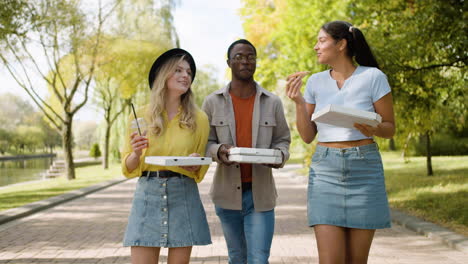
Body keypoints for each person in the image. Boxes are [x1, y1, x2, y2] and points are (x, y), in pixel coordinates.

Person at [286, 21, 395, 264]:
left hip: (364, 170)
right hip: (325, 171)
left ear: (341, 44)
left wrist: (374, 127)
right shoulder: (315, 82)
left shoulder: (373, 77)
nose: (316, 47)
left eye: (321, 40)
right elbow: (307, 136)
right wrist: (298, 102)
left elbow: (390, 128)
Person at [202, 39, 291, 264]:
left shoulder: (272, 102)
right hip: (226, 195)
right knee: (237, 257)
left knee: (259, 259)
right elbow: (203, 143)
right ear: (229, 62)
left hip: (260, 194)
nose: (245, 61)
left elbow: (283, 140)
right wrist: (219, 150)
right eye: (239, 57)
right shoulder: (212, 102)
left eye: (250, 56)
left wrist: (279, 156)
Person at [121, 48, 211, 264]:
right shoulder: (140, 115)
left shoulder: (199, 119)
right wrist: (136, 152)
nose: (185, 76)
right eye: (178, 70)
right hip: (147, 192)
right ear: (163, 75)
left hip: (183, 193)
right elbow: (128, 167)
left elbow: (199, 170)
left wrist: (194, 164)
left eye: (189, 72)